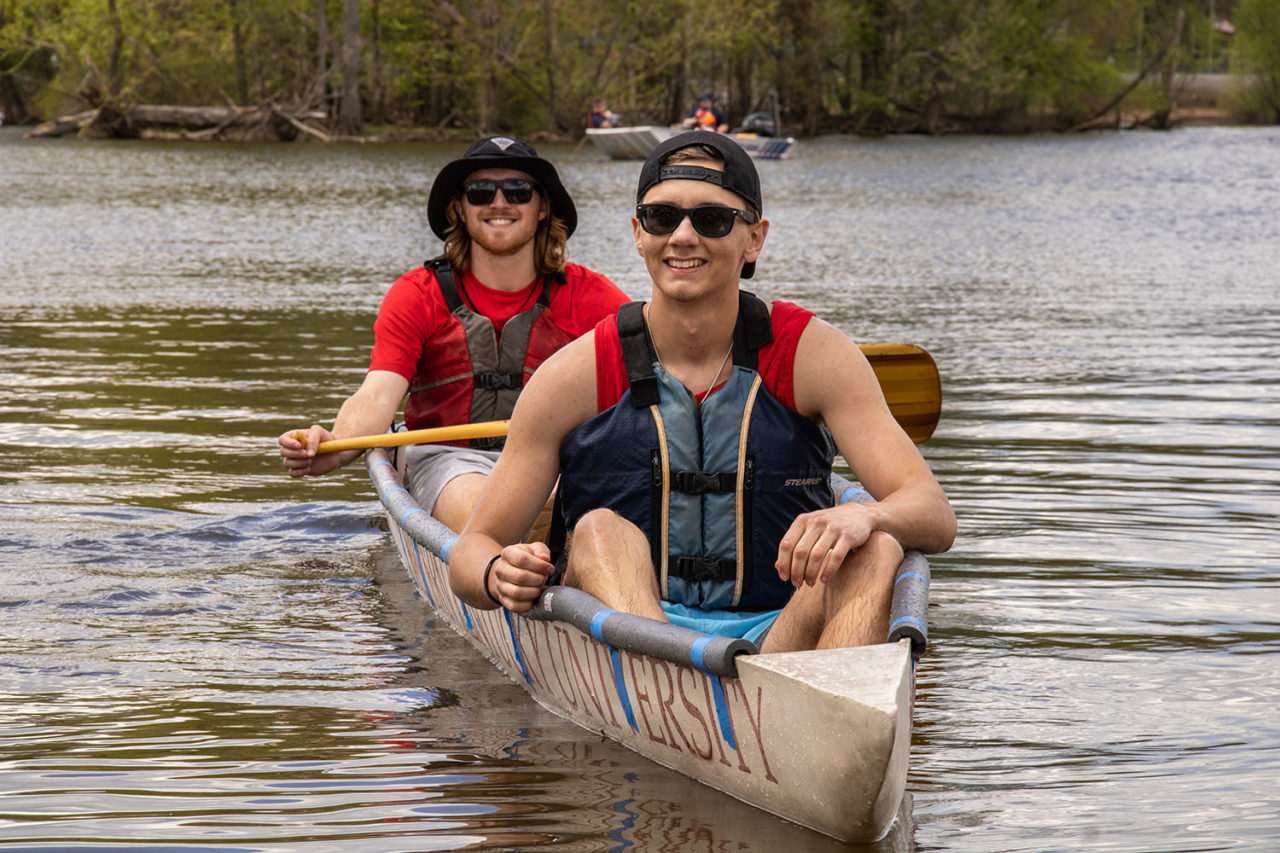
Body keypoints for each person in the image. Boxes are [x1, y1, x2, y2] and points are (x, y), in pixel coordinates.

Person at [448, 131, 955, 652]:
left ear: (754, 238)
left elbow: (933, 513)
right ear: (639, 233)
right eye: (662, 218)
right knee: (599, 530)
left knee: (875, 548)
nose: (683, 237)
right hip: (635, 639)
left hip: (778, 641)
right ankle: (674, 688)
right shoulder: (574, 376)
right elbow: (471, 551)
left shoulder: (813, 356)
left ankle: (829, 712)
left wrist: (866, 514)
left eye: (712, 220)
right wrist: (495, 573)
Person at [279, 136, 629, 532]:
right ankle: (521, 552)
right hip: (448, 460)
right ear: (460, 209)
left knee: (596, 504)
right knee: (486, 510)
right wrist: (337, 445)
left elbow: (657, 370)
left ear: (543, 207)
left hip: (556, 461)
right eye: (480, 192)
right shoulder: (417, 294)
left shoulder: (591, 296)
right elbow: (377, 395)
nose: (499, 203)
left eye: (518, 190)